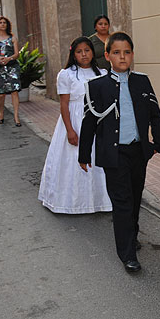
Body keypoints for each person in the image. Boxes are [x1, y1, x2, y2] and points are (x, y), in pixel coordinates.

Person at [78, 32, 160, 273]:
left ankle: (131, 236)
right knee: (122, 202)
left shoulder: (142, 82)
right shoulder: (97, 86)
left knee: (135, 198)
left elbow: (155, 114)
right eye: (116, 52)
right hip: (113, 155)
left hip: (138, 152)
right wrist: (84, 154)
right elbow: (89, 123)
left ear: (132, 54)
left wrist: (156, 143)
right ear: (107, 56)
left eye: (127, 52)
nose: (122, 57)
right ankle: (127, 254)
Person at [38, 37, 112, 214]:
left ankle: (102, 200)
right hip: (76, 121)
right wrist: (70, 130)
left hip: (97, 121)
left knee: (98, 158)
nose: (84, 54)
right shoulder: (67, 74)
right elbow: (64, 104)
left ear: (93, 52)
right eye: (79, 52)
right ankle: (73, 202)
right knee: (73, 160)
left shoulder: (102, 73)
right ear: (73, 54)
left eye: (87, 50)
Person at [0, 16, 22, 126]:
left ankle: (16, 116)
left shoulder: (12, 38)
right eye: (0, 22)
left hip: (12, 67)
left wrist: (9, 58)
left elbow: (17, 54)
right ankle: (1, 112)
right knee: (1, 94)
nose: (3, 24)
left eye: (4, 23)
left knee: (14, 91)